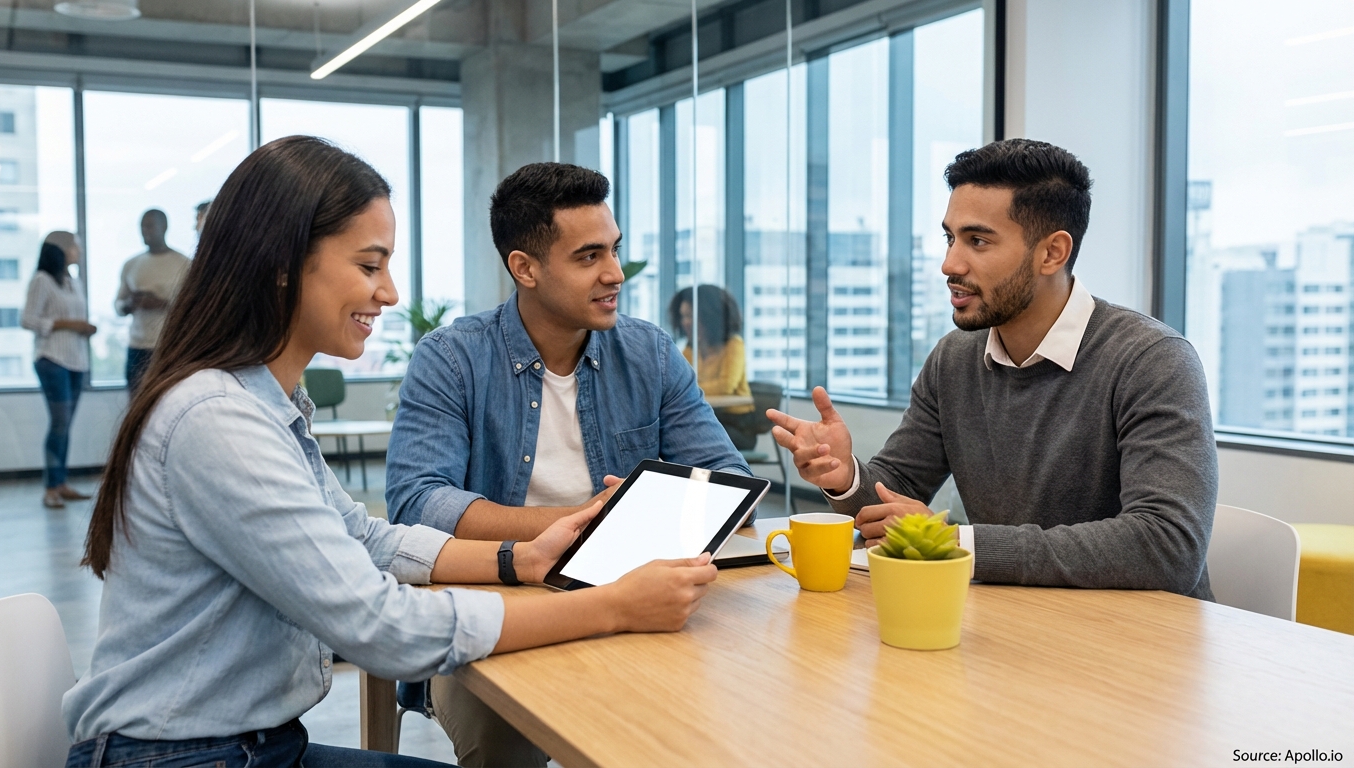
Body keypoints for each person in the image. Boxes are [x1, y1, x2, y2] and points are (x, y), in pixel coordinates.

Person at [62, 137, 718, 768]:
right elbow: (381, 625)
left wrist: (520, 558)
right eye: (370, 266)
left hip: (248, 746)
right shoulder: (219, 421)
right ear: (283, 266)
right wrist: (613, 605)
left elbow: (363, 538)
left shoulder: (263, 403)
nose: (390, 293)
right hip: (182, 756)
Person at [386, 162, 750, 767]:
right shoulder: (451, 359)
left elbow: (726, 480)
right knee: (504, 745)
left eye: (614, 250)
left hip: (633, 586)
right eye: (588, 257)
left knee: (706, 721)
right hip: (496, 593)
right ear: (524, 268)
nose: (614, 274)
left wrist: (644, 514)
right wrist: (580, 520)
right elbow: (418, 502)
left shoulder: (650, 353)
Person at [768, 139, 1218, 599]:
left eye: (977, 241)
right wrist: (844, 475)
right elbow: (893, 497)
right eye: (950, 237)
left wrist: (957, 544)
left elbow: (1168, 547)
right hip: (1013, 626)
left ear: (1052, 253)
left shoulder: (1153, 360)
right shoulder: (955, 359)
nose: (949, 264)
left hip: (1143, 646)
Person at [20, 232, 96, 509]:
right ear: (61, 250)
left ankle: (61, 483)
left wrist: (84, 328)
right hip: (52, 360)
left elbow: (76, 319)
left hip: (76, 361)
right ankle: (51, 487)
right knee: (59, 424)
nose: (78, 249)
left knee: (65, 426)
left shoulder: (73, 282)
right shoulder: (42, 280)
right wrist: (68, 324)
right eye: (74, 245)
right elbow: (27, 319)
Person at [669, 284, 756, 450]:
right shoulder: (691, 348)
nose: (685, 322)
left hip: (736, 424)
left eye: (691, 316)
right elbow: (678, 382)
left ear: (709, 316)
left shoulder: (733, 344)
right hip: (705, 416)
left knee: (686, 439)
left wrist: (688, 390)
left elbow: (725, 386)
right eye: (683, 316)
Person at [114, 208, 190, 393]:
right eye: (142, 227)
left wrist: (161, 303)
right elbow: (118, 305)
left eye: (149, 226)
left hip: (168, 346)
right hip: (137, 346)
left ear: (163, 227)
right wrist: (130, 305)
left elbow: (193, 308)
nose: (145, 231)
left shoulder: (184, 264)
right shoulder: (132, 264)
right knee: (136, 404)